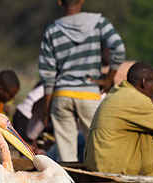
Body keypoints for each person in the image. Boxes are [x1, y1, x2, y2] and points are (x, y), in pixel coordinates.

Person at [37, 0, 126, 162]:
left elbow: (48, 73)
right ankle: (98, 182)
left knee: (66, 152)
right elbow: (118, 48)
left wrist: (46, 106)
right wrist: (109, 78)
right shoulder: (99, 22)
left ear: (59, 2)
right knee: (98, 145)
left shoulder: (52, 30)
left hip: (62, 93)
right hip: (89, 92)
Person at [84, 62, 153, 178]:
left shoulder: (118, 92)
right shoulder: (135, 99)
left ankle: (144, 174)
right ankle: (143, 177)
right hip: (111, 168)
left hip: (100, 164)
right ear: (144, 83)